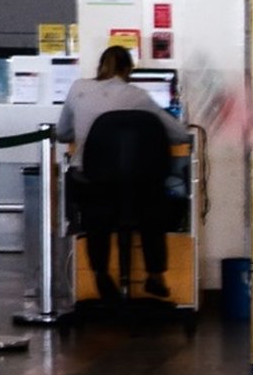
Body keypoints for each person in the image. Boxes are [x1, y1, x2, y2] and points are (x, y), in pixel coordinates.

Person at [58, 45, 190, 300]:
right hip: (138, 193)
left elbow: (62, 133)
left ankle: (100, 274)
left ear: (99, 67)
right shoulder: (139, 96)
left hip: (93, 188)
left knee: (97, 213)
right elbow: (180, 135)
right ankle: (155, 275)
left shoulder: (78, 89)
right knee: (155, 201)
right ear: (128, 70)